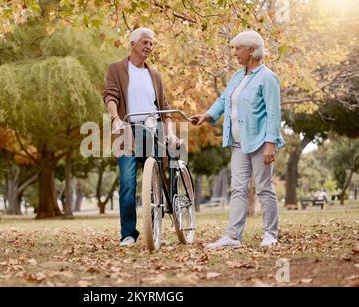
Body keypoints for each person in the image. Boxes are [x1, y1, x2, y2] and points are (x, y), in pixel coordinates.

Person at [191, 30, 285, 249]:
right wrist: (208, 115)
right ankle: (233, 237)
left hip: (260, 142)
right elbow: (224, 100)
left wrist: (271, 143)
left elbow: (274, 113)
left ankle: (270, 234)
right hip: (238, 144)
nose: (234, 53)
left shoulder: (268, 77)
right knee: (238, 189)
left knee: (263, 188)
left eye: (237, 49)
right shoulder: (237, 76)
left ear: (250, 50)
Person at [103, 27, 179, 247]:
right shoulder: (117, 69)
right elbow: (110, 95)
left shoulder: (154, 75)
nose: (149, 47)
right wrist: (116, 118)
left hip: (153, 129)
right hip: (126, 129)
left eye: (152, 44)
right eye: (145, 42)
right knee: (127, 183)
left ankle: (155, 230)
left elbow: (164, 108)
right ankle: (128, 233)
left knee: (155, 182)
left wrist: (171, 133)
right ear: (133, 44)